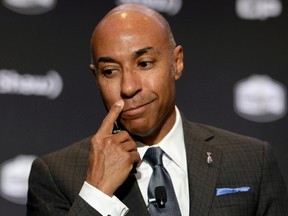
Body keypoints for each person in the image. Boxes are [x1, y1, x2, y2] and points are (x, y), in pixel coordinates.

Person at [26, 3, 288, 216]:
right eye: (110, 71)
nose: (129, 87)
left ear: (177, 62)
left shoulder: (253, 160)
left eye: (144, 63)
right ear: (96, 78)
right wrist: (97, 192)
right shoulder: (55, 175)